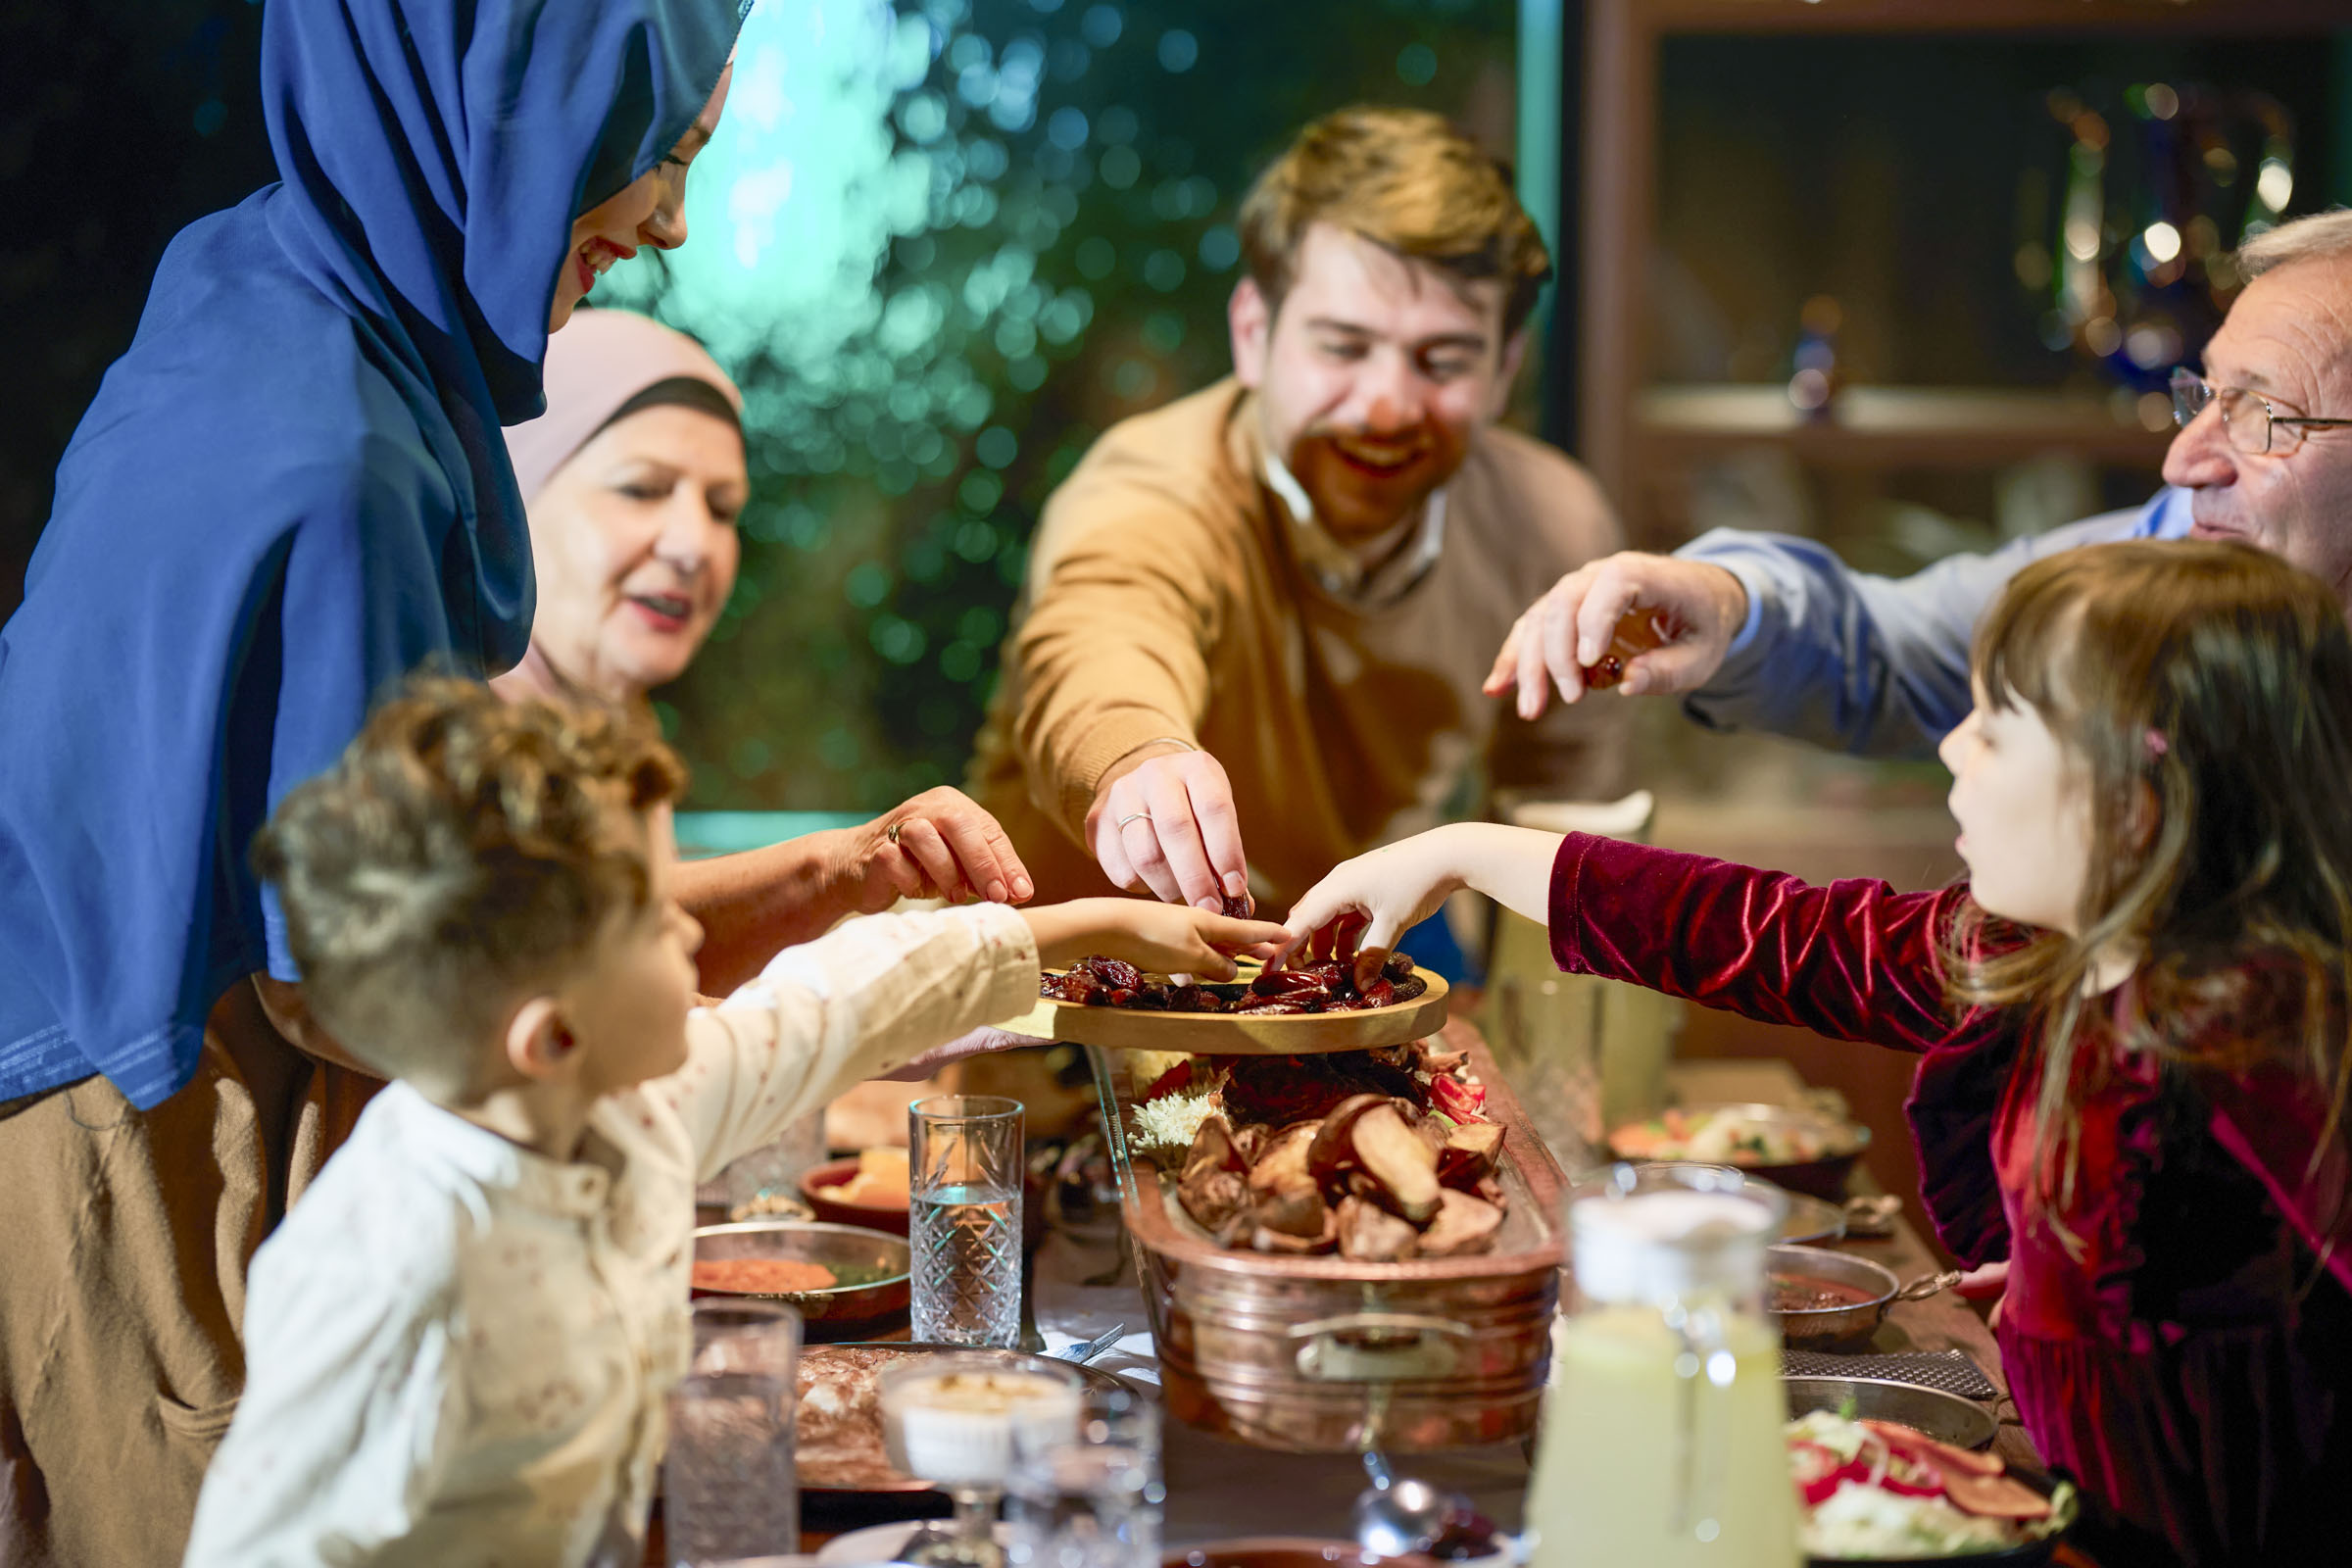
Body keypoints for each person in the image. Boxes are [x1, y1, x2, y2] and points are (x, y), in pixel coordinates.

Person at [0, 4, 740, 1561]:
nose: (667, 219)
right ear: (510, 106)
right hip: (141, 1125)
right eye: (654, 149)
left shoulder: (260, 276)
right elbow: (368, 977)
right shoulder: (342, 463)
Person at [1286, 540, 2352, 1567]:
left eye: (1994, 727)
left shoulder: (2270, 1045)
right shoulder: (2038, 954)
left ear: (2135, 789)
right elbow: (1777, 935)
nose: (1950, 748)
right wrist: (1461, 853)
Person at [182, 678, 1282, 1565]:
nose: (695, 932)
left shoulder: (617, 1105)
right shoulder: (381, 1262)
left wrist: (1085, 927)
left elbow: (828, 1005)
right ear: (552, 1038)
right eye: (657, 920)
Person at [968, 106, 1626, 926]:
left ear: (1503, 369)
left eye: (1443, 360)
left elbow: (1562, 824)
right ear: (1253, 333)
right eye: (1343, 348)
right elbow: (1099, 639)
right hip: (1059, 1006)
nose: (1386, 407)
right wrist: (1139, 758)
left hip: (1328, 993)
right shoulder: (1151, 489)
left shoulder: (1551, 529)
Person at [1485, 209, 2352, 759]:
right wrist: (1724, 598)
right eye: (2203, 396)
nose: (2183, 462)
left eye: (2264, 415)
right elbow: (1900, 648)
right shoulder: (2168, 549)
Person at [498, 307, 1034, 990]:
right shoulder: (447, 736)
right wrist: (835, 868)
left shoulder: (617, 723)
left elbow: (660, 977)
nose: (694, 545)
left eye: (722, 508)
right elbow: (553, 964)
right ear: (514, 493)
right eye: (642, 489)